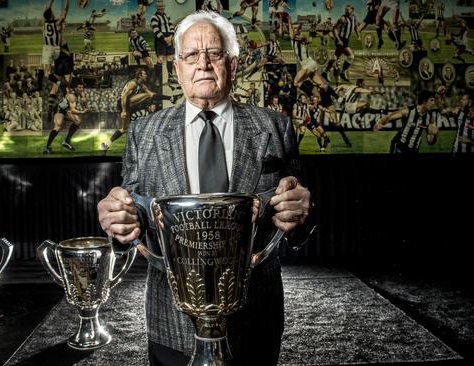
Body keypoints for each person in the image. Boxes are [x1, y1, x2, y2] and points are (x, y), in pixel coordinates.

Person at [97, 10, 312, 366]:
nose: (203, 64)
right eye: (191, 55)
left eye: (213, 53)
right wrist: (118, 220)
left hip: (255, 320)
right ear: (177, 67)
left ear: (232, 62)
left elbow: (296, 215)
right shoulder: (144, 132)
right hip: (171, 324)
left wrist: (300, 213)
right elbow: (132, 210)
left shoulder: (276, 127)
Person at [373, 90, 439, 153]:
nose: (433, 103)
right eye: (431, 100)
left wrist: (433, 134)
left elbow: (430, 139)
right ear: (424, 101)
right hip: (400, 146)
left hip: (414, 150)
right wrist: (380, 123)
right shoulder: (409, 111)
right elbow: (389, 117)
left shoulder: (429, 116)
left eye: (434, 101)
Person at [42, 82, 88, 154]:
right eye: (79, 87)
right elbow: (73, 110)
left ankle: (66, 141)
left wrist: (84, 102)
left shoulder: (79, 94)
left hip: (66, 111)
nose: (81, 89)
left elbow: (83, 100)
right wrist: (82, 112)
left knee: (78, 121)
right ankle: (47, 147)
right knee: (58, 127)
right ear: (75, 88)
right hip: (59, 110)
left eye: (82, 87)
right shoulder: (72, 96)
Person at [441, 89, 474, 154]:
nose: (460, 101)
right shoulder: (459, 112)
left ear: (470, 102)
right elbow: (444, 110)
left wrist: (469, 140)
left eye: (463, 99)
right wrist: (442, 95)